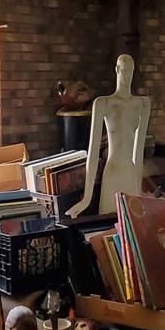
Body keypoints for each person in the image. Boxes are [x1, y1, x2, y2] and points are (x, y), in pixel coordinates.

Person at [67, 54, 151, 217]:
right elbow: (92, 153)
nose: (128, 76)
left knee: (130, 224)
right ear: (117, 70)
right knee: (108, 224)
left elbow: (138, 152)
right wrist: (86, 198)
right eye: (124, 70)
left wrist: (138, 191)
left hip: (130, 173)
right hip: (112, 172)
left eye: (131, 71)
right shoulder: (103, 103)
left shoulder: (142, 104)